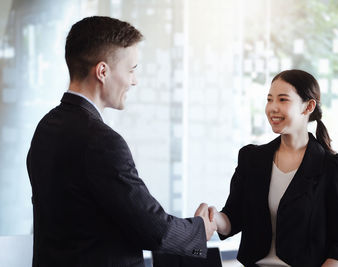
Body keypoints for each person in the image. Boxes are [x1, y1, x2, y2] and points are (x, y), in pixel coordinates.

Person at [26, 16, 216, 267]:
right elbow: (153, 229)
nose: (134, 81)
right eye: (131, 69)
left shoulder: (46, 127)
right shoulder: (101, 141)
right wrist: (200, 230)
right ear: (102, 71)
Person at [207, 69, 338, 267]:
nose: (272, 108)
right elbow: (233, 219)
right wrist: (212, 217)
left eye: (282, 100)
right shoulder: (251, 158)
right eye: (269, 99)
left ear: (308, 107)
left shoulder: (333, 167)